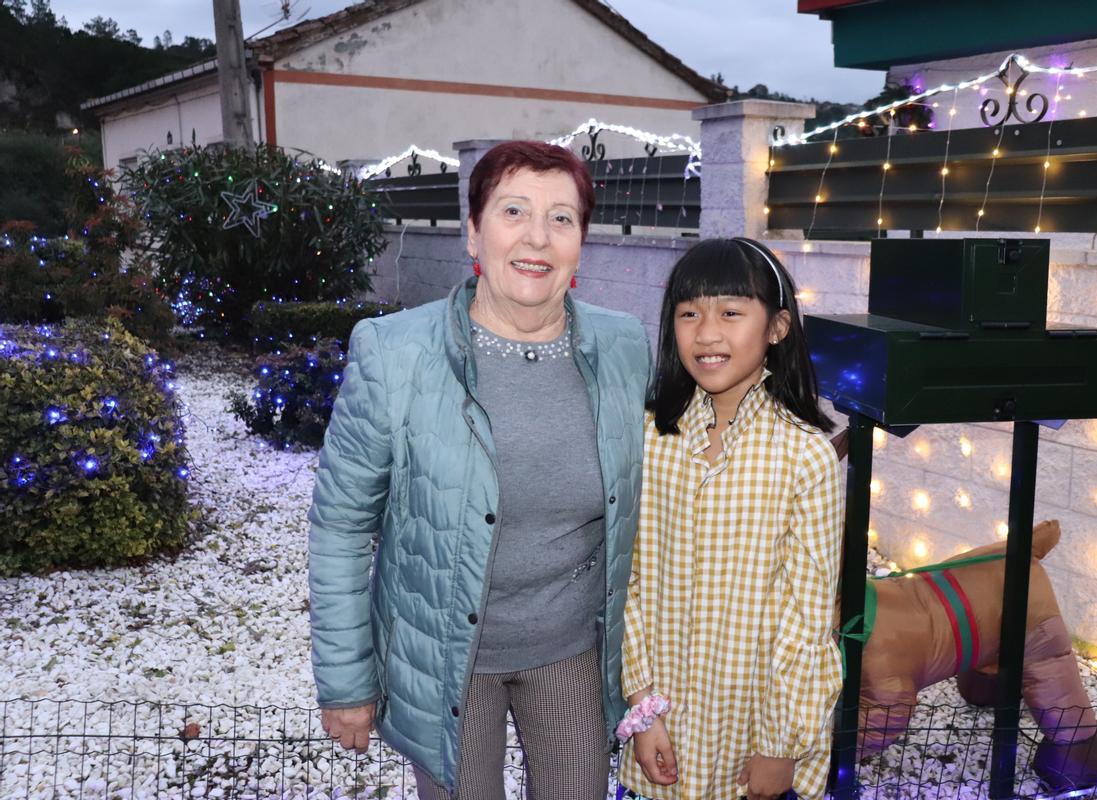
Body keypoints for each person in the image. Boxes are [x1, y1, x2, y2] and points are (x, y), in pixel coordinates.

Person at [307, 140, 651, 800]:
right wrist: (347, 681)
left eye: (561, 218)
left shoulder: (623, 345)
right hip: (443, 657)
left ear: (582, 241)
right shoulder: (395, 353)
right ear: (473, 231)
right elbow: (342, 528)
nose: (537, 238)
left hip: (571, 648)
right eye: (513, 211)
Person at [617, 238, 845, 800]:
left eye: (731, 312)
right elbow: (629, 580)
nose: (708, 332)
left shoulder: (804, 455)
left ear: (777, 327)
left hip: (751, 739)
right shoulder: (649, 437)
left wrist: (779, 744)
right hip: (661, 726)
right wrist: (643, 709)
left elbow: (808, 616)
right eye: (689, 313)